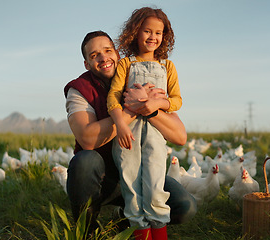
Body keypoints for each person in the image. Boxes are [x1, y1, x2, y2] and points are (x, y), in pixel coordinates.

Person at [64, 30, 197, 238]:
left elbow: (180, 137)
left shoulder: (142, 77)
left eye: (107, 50)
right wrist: (131, 109)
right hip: (103, 178)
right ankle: (88, 230)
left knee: (185, 206)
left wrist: (149, 107)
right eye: (94, 55)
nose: (103, 58)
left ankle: (124, 219)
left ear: (117, 53)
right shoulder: (80, 89)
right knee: (84, 161)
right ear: (86, 64)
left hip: (144, 170)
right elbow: (87, 139)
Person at [106, 7, 181, 239]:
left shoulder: (167, 67)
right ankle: (138, 228)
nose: (152, 37)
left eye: (158, 33)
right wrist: (120, 124)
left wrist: (158, 105)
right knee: (131, 183)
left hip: (156, 132)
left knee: (155, 183)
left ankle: (158, 229)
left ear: (164, 36)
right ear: (135, 32)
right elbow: (113, 97)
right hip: (128, 132)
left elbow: (177, 100)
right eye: (147, 31)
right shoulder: (126, 65)